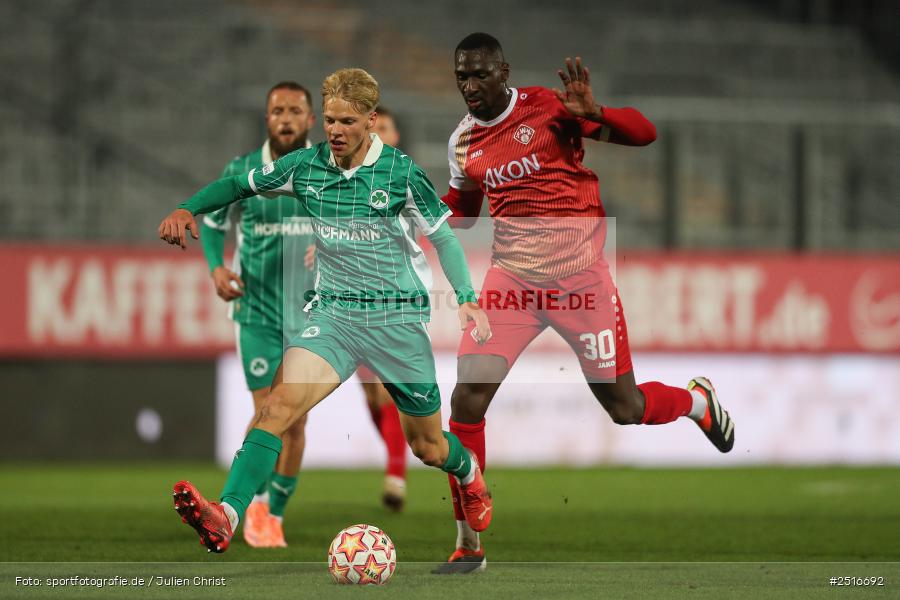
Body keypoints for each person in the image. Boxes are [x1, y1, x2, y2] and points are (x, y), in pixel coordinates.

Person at [432, 33, 736, 574]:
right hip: (513, 286)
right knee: (466, 401)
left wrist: (597, 112)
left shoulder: (550, 108)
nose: (470, 86)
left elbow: (646, 134)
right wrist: (421, 217)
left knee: (626, 408)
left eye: (480, 74)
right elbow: (465, 211)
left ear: (504, 70)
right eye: (462, 76)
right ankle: (468, 545)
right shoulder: (462, 142)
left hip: (581, 282)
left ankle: (696, 402)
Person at [159, 67, 494, 555]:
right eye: (331, 120)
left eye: (347, 122)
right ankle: (228, 514)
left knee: (428, 447)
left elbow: (443, 236)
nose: (335, 130)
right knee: (276, 409)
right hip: (333, 316)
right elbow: (237, 187)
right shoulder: (306, 165)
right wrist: (188, 207)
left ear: (371, 121)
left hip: (395, 320)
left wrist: (466, 296)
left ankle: (468, 471)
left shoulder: (400, 172)